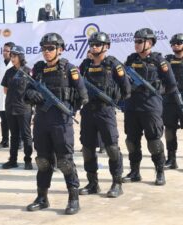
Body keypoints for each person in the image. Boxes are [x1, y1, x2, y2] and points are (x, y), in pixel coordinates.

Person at [25, 33, 88, 215]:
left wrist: (68, 110)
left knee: (65, 161)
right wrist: (31, 95)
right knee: (43, 161)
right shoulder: (37, 70)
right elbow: (25, 93)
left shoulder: (70, 69)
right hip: (42, 121)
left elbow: (83, 96)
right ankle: (42, 198)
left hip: (61, 121)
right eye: (44, 48)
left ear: (60, 50)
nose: (46, 52)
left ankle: (73, 198)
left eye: (51, 48)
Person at [78, 32, 131, 198]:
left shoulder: (114, 65)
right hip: (87, 111)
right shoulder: (85, 65)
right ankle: (93, 183)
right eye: (92, 44)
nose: (94, 47)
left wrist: (112, 99)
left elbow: (126, 89)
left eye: (97, 44)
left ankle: (117, 183)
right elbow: (77, 85)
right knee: (87, 148)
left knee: (112, 148)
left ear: (106, 46)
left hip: (105, 111)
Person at [123, 28, 177, 185]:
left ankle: (160, 171)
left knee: (154, 141)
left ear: (150, 43)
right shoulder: (131, 59)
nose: (136, 44)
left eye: (140, 41)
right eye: (135, 41)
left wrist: (156, 91)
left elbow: (171, 85)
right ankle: (134, 172)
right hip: (132, 106)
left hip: (151, 107)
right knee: (131, 141)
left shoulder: (159, 61)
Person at [0, 45, 33, 170]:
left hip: (24, 108)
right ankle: (12, 160)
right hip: (10, 108)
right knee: (13, 135)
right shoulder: (9, 72)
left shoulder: (28, 71)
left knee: (26, 135)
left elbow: (33, 90)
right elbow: (5, 90)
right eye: (11, 56)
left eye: (15, 56)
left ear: (21, 57)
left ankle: (28, 160)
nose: (12, 58)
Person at [163, 33, 183, 169]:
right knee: (169, 130)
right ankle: (171, 159)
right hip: (170, 100)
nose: (176, 45)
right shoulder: (167, 60)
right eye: (173, 43)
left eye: (179, 43)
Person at [0, 42, 14, 149]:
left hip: (12, 95)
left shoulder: (15, 64)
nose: (4, 53)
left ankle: (17, 141)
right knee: (3, 120)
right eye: (4, 50)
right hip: (1, 93)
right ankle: (5, 140)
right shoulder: (0, 63)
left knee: (14, 120)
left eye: (7, 51)